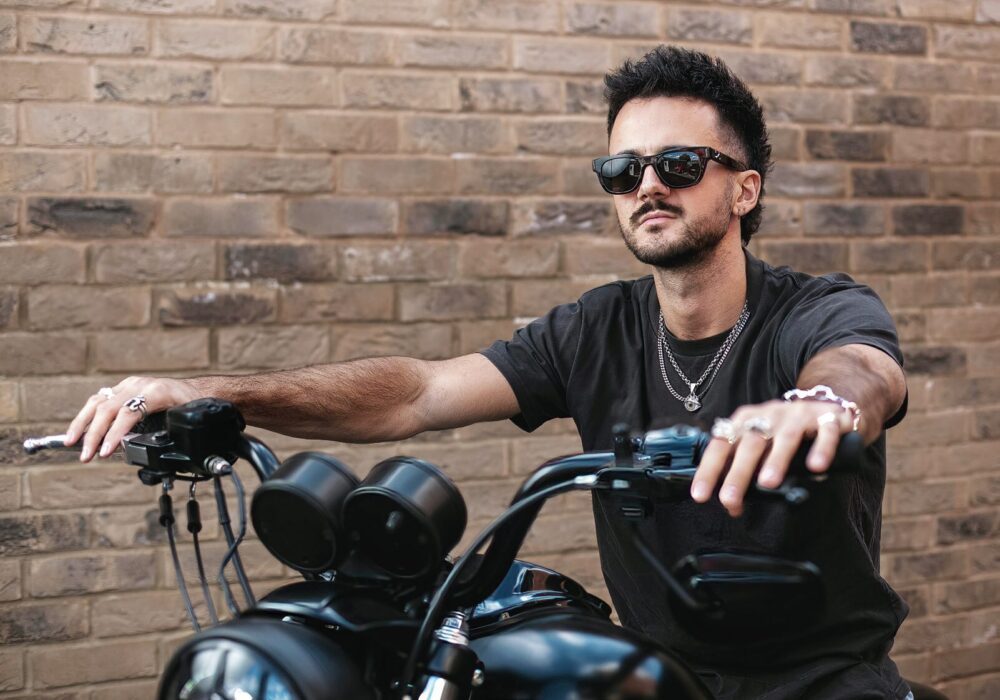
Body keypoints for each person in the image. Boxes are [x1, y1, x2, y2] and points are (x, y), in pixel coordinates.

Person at [66, 46, 909, 699]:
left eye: (679, 165)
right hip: (655, 673)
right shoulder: (594, 330)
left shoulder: (813, 312)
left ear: (744, 189)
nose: (647, 185)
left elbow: (865, 371)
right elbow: (419, 393)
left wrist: (817, 405)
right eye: (622, 171)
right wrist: (215, 394)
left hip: (824, 679)